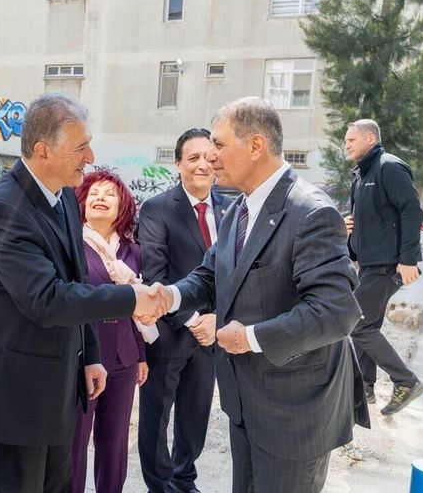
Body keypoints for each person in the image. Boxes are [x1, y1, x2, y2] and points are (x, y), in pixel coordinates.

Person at [157, 97, 367, 492]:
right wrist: (167, 297)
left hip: (294, 413)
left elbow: (335, 312)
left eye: (218, 145)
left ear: (255, 146)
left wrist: (249, 337)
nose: (212, 157)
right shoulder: (239, 208)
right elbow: (208, 277)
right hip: (246, 403)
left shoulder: (310, 211)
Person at [0, 93, 166, 493]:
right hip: (19, 393)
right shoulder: (5, 208)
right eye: (80, 147)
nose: (90, 155)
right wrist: (133, 297)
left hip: (61, 385)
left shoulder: (62, 201)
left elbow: (77, 282)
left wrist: (91, 357)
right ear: (43, 150)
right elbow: (48, 299)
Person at [137, 128, 229, 493]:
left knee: (195, 415)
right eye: (193, 158)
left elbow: (235, 274)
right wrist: (194, 320)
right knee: (156, 418)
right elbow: (155, 275)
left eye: (210, 157)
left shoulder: (231, 208)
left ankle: (184, 478)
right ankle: (159, 485)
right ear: (178, 164)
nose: (203, 165)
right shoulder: (158, 209)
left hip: (212, 335)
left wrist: (217, 320)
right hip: (171, 334)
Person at [70, 171, 148, 493]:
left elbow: (138, 307)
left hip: (124, 356)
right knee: (75, 442)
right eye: (94, 193)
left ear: (123, 206)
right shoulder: (72, 245)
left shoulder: (132, 250)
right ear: (83, 204)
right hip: (84, 357)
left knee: (114, 444)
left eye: (110, 194)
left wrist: (142, 355)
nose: (101, 197)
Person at [343, 119, 423, 416]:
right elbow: (380, 214)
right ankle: (366, 386)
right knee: (370, 324)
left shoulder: (389, 167)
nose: (347, 144)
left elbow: (411, 210)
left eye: (351, 139)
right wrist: (349, 227)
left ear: (369, 138)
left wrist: (408, 259)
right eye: (346, 140)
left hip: (387, 264)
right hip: (369, 263)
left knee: (355, 322)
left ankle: (406, 381)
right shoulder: (361, 175)